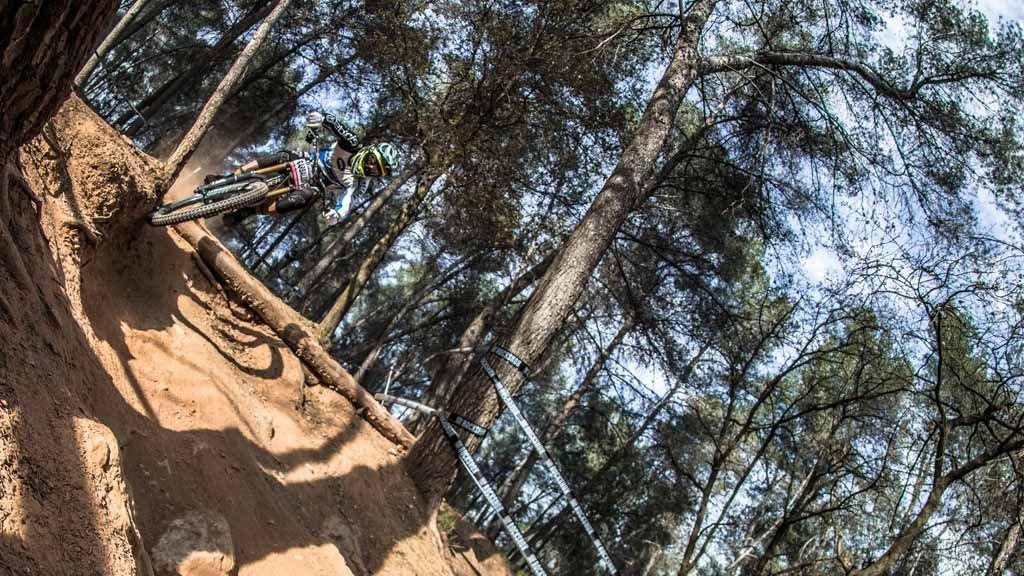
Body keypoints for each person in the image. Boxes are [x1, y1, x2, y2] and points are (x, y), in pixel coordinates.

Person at [219, 111, 399, 226]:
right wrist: (322, 118)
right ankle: (228, 178)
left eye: (376, 170)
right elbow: (337, 126)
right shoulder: (352, 144)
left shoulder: (358, 185)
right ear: (369, 151)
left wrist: (335, 215)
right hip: (308, 160)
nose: (369, 167)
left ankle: (248, 211)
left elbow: (346, 203)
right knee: (282, 157)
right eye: (372, 161)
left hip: (315, 185)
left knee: (299, 201)